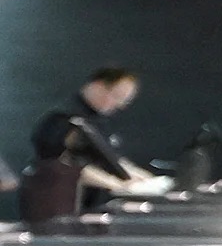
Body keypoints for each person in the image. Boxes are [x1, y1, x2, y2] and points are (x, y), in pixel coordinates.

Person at [28, 65, 163, 211]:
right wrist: (118, 184)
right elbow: (62, 165)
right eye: (117, 97)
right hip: (57, 200)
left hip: (87, 202)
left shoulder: (99, 120)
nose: (119, 105)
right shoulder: (63, 119)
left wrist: (142, 177)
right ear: (98, 86)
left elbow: (110, 158)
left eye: (125, 101)